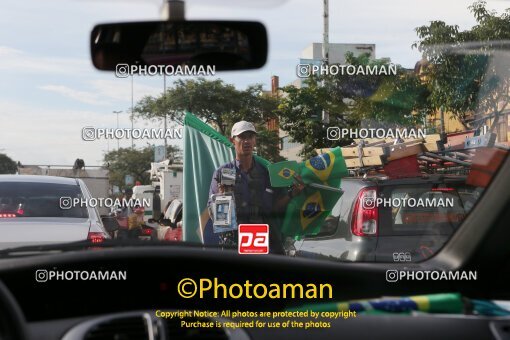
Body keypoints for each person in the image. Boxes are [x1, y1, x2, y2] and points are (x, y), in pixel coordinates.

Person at [206, 121, 304, 254]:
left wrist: (293, 193)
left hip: (261, 240)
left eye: (250, 137)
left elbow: (274, 209)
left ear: (255, 141)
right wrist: (223, 198)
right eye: (242, 137)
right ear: (232, 140)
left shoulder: (266, 173)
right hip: (233, 242)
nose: (247, 141)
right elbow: (221, 221)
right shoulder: (224, 173)